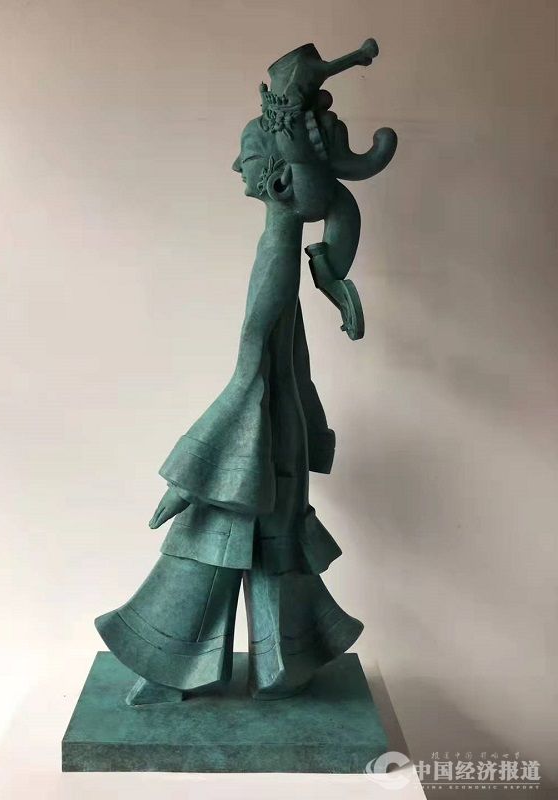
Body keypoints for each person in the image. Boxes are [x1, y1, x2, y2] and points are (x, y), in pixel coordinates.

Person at [95, 40, 397, 703]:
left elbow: (251, 372)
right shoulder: (279, 253)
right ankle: (240, 660)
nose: (241, 164)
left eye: (253, 153)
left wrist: (196, 470)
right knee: (251, 521)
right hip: (271, 426)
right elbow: (263, 369)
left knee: (244, 521)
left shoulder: (280, 258)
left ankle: (247, 661)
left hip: (268, 427)